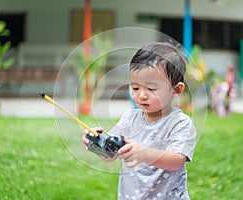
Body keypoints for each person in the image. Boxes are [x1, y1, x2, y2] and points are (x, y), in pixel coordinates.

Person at [83, 42, 196, 200]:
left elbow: (176, 160)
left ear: (176, 90)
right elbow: (111, 154)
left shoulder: (180, 123)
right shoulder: (130, 119)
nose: (141, 95)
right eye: (135, 88)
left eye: (151, 89)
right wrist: (96, 143)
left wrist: (143, 154)